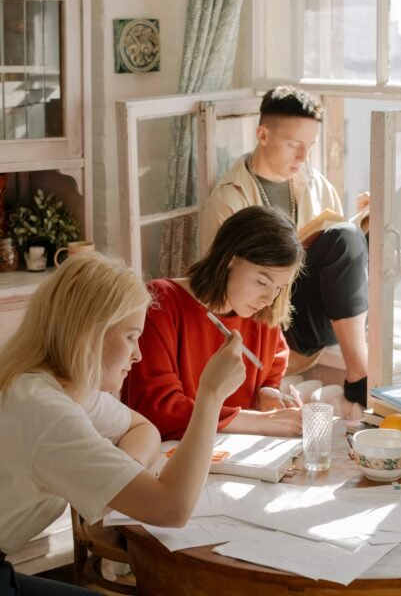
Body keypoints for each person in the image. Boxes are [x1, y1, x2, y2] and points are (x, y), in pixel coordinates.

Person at [0, 252, 246, 595]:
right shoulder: (46, 412)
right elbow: (172, 508)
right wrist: (210, 395)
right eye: (131, 336)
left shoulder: (60, 387)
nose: (138, 354)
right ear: (90, 332)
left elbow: (142, 428)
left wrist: (124, 475)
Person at [200, 86, 369, 406]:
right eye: (293, 145)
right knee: (345, 238)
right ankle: (360, 377)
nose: (303, 156)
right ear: (263, 135)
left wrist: (365, 223)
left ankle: (365, 360)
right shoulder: (229, 199)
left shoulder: (316, 184)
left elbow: (340, 265)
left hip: (324, 317)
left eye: (310, 146)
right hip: (274, 325)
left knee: (373, 223)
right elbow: (221, 293)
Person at [123, 206, 305, 440]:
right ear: (230, 258)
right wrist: (260, 422)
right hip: (171, 456)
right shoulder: (162, 302)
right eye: (262, 282)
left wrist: (267, 392)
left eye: (279, 288)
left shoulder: (261, 312)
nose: (269, 299)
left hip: (236, 454)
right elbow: (158, 410)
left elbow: (272, 367)